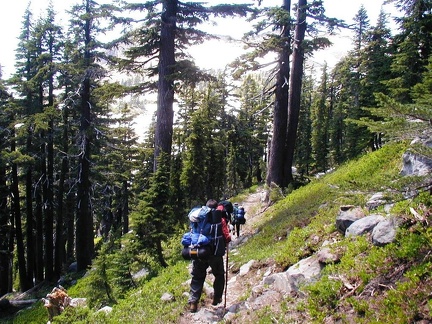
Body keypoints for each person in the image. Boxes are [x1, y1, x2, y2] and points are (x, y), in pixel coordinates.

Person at [188, 199, 231, 313]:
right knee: (219, 274)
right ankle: (216, 298)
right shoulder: (218, 218)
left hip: (199, 250)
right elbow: (226, 235)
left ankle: (193, 302)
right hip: (215, 253)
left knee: (197, 276)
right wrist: (227, 240)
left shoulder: (198, 218)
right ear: (216, 208)